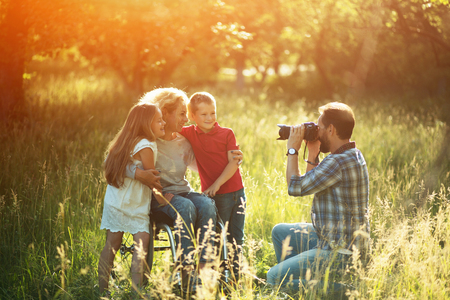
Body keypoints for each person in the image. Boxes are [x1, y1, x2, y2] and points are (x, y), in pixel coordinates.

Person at [127, 88, 243, 287]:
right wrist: (141, 176)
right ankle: (186, 273)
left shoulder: (184, 141)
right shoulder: (147, 142)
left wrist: (230, 158)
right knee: (186, 207)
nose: (186, 119)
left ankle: (205, 269)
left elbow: (206, 164)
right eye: (181, 114)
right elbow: (122, 165)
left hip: (182, 192)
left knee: (206, 204)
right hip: (158, 199)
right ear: (165, 113)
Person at [267, 102, 370, 294]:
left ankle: (351, 291)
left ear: (331, 129)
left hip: (341, 252)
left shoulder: (337, 162)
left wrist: (292, 150)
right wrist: (313, 153)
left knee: (273, 277)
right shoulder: (352, 154)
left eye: (319, 127)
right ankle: (300, 282)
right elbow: (310, 184)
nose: (316, 131)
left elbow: (295, 188)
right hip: (333, 238)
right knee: (280, 232)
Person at [98, 103, 166, 295]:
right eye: (159, 120)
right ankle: (136, 291)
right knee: (142, 242)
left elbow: (109, 162)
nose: (164, 122)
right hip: (134, 204)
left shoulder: (126, 140)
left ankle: (102, 290)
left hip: (115, 200)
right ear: (146, 123)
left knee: (111, 244)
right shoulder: (147, 146)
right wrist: (163, 199)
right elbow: (152, 180)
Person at [181, 91, 246, 280]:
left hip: (236, 192)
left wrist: (216, 183)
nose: (209, 118)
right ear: (192, 116)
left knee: (236, 239)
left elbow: (234, 162)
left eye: (213, 113)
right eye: (203, 114)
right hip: (218, 198)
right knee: (218, 239)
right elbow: (169, 129)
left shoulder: (227, 133)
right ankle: (216, 279)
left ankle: (235, 280)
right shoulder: (189, 133)